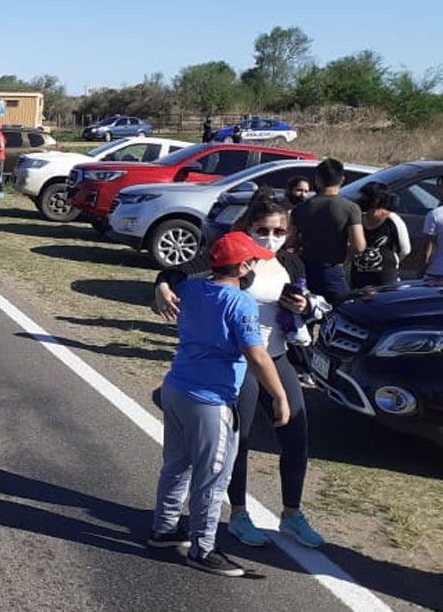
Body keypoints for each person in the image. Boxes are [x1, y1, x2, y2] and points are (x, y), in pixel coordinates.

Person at [155, 192, 326, 553]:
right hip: (243, 362)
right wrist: (161, 285)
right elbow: (176, 272)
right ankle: (240, 512)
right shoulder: (235, 257)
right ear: (249, 227)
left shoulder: (291, 264)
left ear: (288, 231)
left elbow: (311, 301)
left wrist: (305, 304)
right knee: (239, 442)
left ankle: (292, 513)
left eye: (278, 231)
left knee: (296, 435)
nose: (270, 237)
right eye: (263, 230)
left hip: (276, 356)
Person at [149, 232, 291, 577]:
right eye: (252, 260)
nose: (255, 264)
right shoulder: (240, 302)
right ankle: (203, 547)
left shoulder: (191, 288)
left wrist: (162, 285)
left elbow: (171, 279)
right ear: (242, 267)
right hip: (211, 400)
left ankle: (165, 528)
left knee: (177, 464)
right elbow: (257, 355)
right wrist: (280, 395)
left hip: (177, 387)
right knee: (212, 476)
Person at [289, 158, 365, 305]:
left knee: (309, 311)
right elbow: (359, 245)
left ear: (317, 180)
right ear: (342, 179)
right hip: (333, 268)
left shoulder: (301, 209)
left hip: (305, 269)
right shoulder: (350, 208)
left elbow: (291, 241)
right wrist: (345, 255)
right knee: (339, 310)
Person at [349, 182, 411, 288]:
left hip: (385, 281)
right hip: (358, 279)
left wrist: (392, 261)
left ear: (376, 200)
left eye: (364, 197)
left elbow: (405, 249)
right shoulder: (358, 219)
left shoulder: (392, 220)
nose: (361, 200)